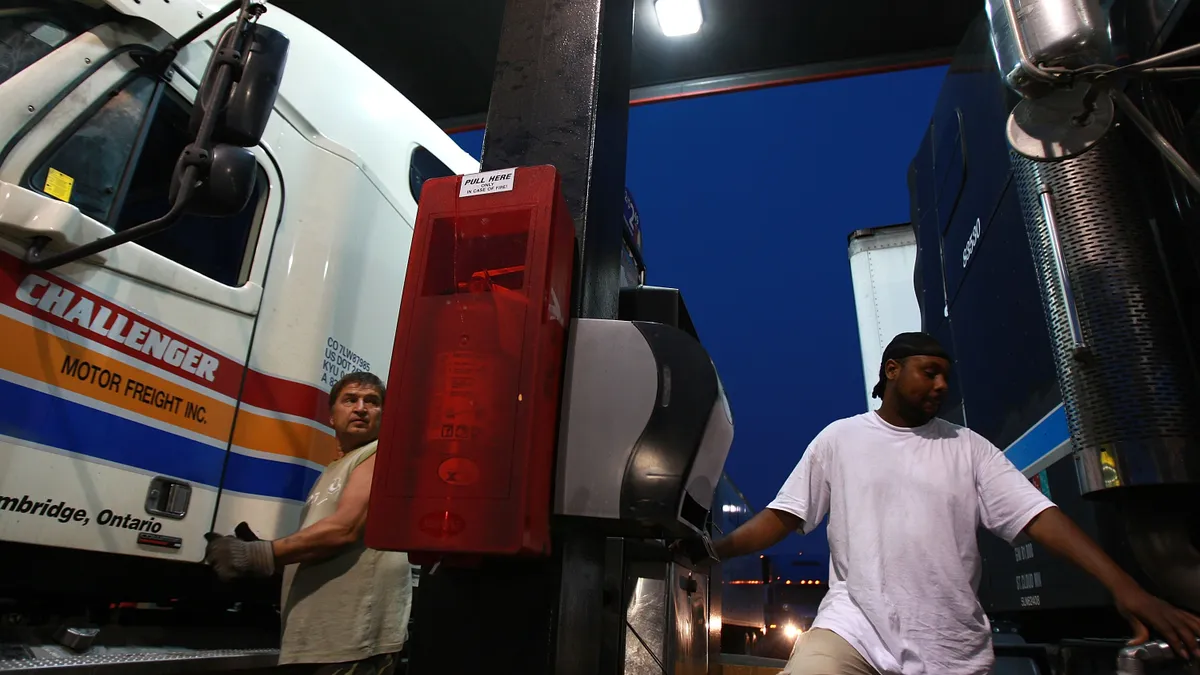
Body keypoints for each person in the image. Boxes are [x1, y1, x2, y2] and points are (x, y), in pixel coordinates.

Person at [708, 333, 1200, 675]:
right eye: (930, 373)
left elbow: (1040, 518)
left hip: (950, 648)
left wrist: (1124, 586)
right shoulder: (840, 439)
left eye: (946, 376)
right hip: (853, 629)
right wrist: (716, 550)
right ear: (892, 371)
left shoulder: (969, 447)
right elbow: (781, 517)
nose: (942, 385)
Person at [205, 371, 410, 675]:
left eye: (373, 402)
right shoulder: (333, 470)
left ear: (384, 415)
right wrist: (273, 557)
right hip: (320, 638)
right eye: (350, 399)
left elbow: (343, 530)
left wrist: (256, 555)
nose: (361, 408)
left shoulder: (379, 455)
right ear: (331, 416)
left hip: (351, 641)